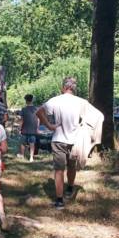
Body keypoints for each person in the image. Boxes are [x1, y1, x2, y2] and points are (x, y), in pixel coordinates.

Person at [36, 77, 86, 210]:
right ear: (74, 88)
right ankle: (70, 188)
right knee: (71, 166)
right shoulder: (81, 102)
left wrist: (49, 125)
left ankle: (59, 201)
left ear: (63, 87)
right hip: (75, 140)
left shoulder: (55, 100)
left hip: (58, 139)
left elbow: (39, 112)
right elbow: (92, 117)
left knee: (59, 170)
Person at [17, 94, 39, 162]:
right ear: (32, 100)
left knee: (22, 143)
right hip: (33, 129)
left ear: (26, 100)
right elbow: (38, 119)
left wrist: (19, 128)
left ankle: (22, 155)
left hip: (24, 129)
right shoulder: (36, 109)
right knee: (32, 144)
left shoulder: (23, 109)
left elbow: (22, 120)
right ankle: (31, 157)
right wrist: (37, 128)